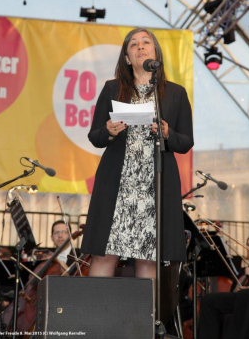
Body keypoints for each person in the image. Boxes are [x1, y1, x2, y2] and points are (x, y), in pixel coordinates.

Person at [81, 28, 194, 280]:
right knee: (104, 254)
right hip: (117, 184)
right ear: (127, 58)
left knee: (147, 256)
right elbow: (95, 136)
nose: (140, 46)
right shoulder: (112, 89)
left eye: (146, 43)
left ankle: (144, 320)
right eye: (133, 44)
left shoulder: (175, 93)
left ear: (156, 53)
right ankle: (95, 319)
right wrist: (109, 131)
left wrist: (167, 133)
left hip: (155, 184)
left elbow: (186, 141)